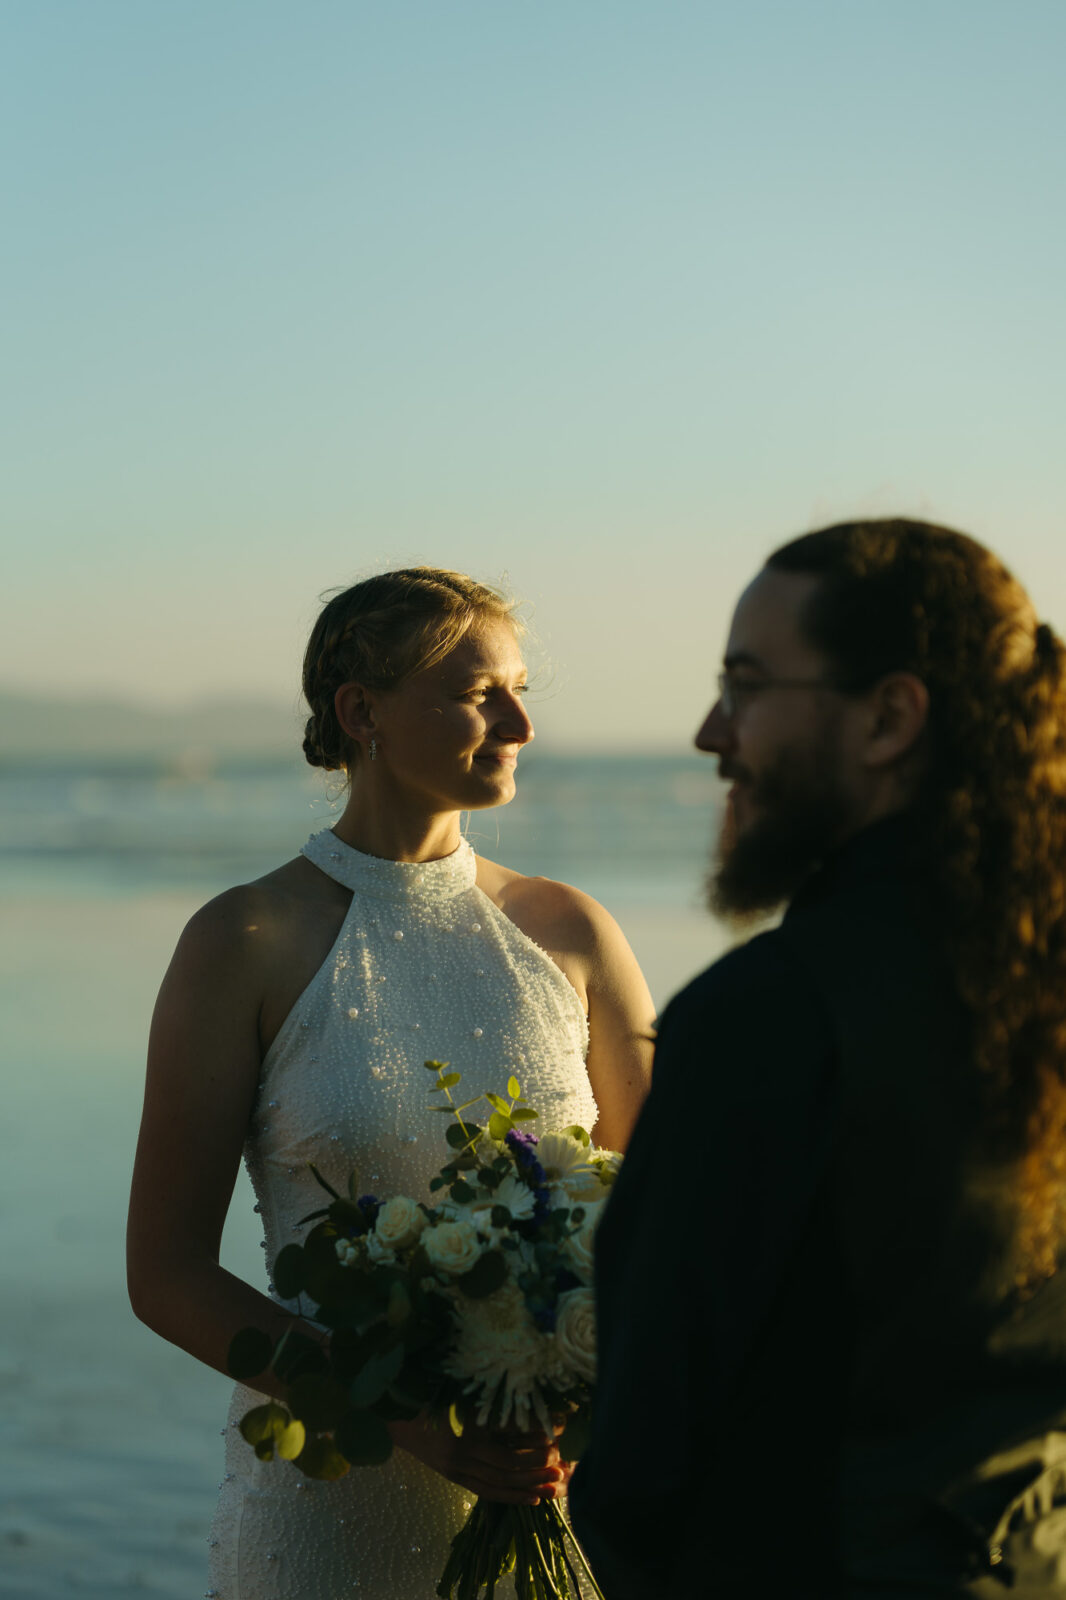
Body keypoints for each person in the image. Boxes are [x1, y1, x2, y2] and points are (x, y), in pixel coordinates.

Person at [126, 567, 654, 1600]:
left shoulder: (573, 932)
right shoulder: (242, 940)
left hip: (553, 1488)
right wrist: (413, 1423)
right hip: (331, 1512)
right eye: (475, 694)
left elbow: (667, 1222)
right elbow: (168, 1276)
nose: (519, 723)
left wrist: (587, 1405)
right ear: (360, 711)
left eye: (519, 688)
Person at [570, 519, 1066, 1598]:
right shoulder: (1034, 987)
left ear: (888, 716)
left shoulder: (774, 1016)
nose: (712, 730)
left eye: (745, 686)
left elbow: (649, 1450)